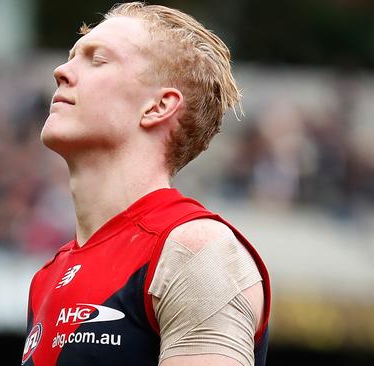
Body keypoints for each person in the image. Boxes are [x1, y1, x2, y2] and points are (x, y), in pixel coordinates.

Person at [22, 2, 271, 365]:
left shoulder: (194, 251)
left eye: (97, 59)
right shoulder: (47, 276)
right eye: (72, 56)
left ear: (158, 107)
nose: (61, 71)